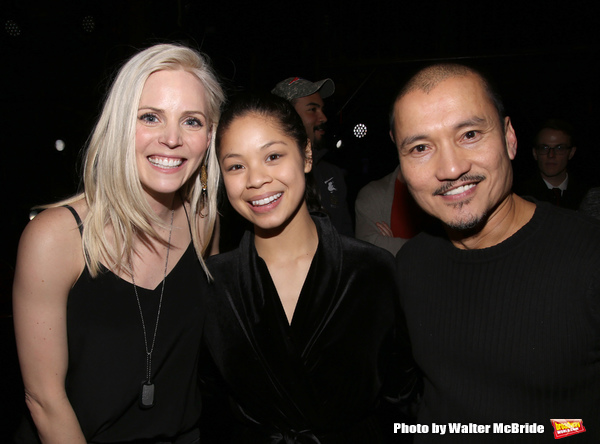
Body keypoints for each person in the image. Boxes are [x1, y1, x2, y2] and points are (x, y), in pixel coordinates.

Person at [12, 43, 224, 444]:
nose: (172, 139)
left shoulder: (204, 224)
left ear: (210, 135)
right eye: (150, 117)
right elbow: (44, 399)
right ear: (120, 124)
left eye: (192, 121)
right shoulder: (56, 238)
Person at [390, 63, 600, 443]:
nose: (451, 168)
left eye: (469, 134)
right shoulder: (410, 266)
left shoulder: (589, 257)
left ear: (510, 138)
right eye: (420, 147)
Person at [202, 93, 417, 443]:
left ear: (305, 155)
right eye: (236, 166)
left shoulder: (372, 270)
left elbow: (403, 397)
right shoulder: (212, 283)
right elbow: (208, 411)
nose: (255, 179)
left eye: (273, 156)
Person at [271, 77, 354, 236]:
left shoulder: (332, 174)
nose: (323, 117)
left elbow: (346, 237)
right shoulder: (267, 177)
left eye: (321, 109)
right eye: (312, 109)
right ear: (285, 117)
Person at [354, 164, 429, 255]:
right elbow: (369, 247)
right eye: (419, 149)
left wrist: (392, 245)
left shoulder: (441, 194)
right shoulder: (372, 194)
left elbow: (446, 248)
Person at [516, 118, 588, 209]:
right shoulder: (519, 196)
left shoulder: (587, 195)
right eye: (544, 148)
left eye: (559, 148)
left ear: (571, 153)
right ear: (535, 153)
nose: (551, 155)